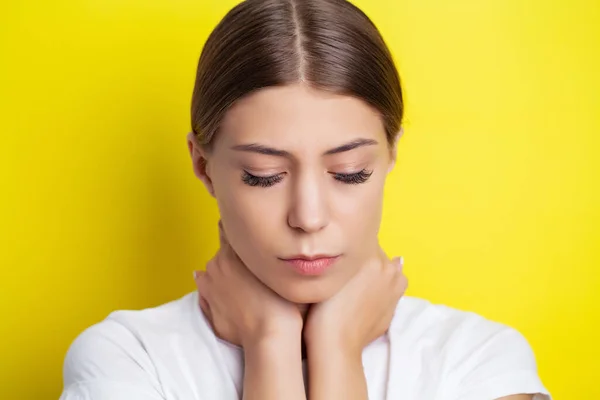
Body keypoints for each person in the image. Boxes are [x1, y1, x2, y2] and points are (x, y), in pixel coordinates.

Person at [59, 0, 551, 399]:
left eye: (349, 173)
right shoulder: (126, 359)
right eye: (263, 176)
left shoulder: (480, 362)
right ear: (202, 165)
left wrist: (335, 348)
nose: (309, 218)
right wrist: (271, 344)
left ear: (391, 154)